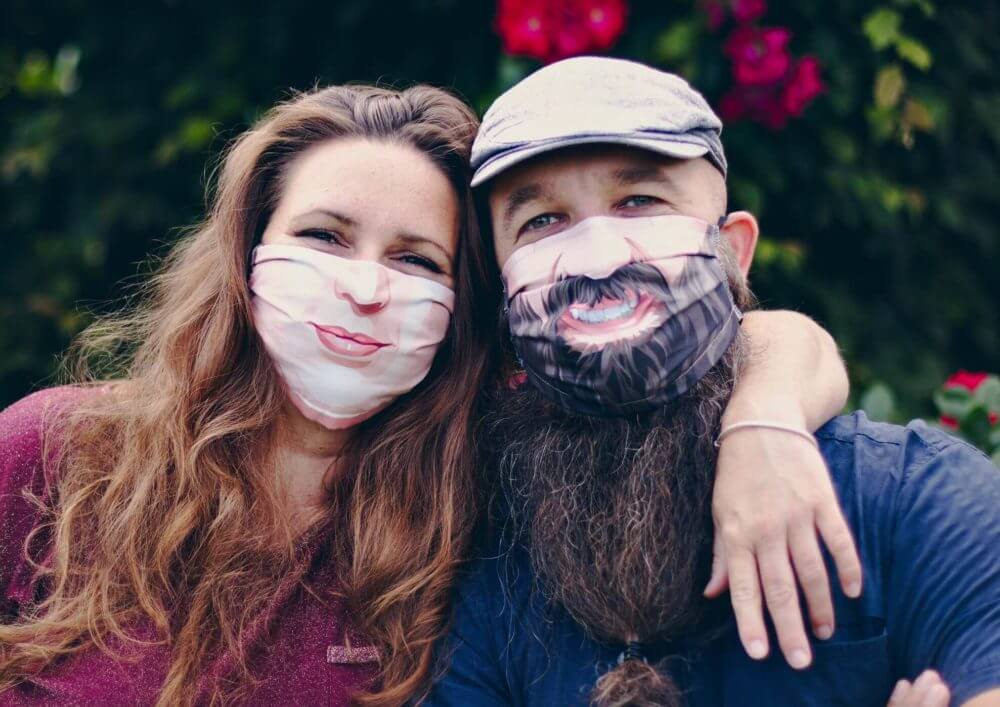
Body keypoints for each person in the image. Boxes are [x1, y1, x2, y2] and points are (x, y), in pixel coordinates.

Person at [0, 81, 849, 704]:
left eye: (415, 259)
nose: (366, 286)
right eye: (325, 236)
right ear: (245, 256)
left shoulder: (478, 496)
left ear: (465, 307)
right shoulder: (61, 455)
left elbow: (774, 336)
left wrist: (763, 423)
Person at [426, 57, 1000, 706]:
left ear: (735, 249)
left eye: (640, 201)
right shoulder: (483, 564)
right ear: (502, 286)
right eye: (542, 221)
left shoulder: (909, 501)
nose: (598, 252)